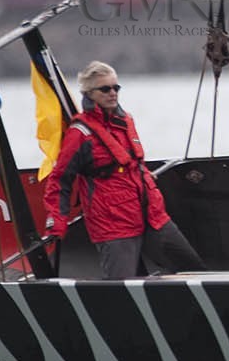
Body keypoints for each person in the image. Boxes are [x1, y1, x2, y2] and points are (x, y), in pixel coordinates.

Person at [43, 61, 204, 279]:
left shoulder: (126, 120)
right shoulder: (80, 133)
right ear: (89, 93)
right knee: (121, 288)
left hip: (152, 214)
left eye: (116, 88)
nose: (113, 93)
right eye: (105, 89)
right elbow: (60, 180)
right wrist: (57, 222)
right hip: (113, 224)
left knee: (195, 271)